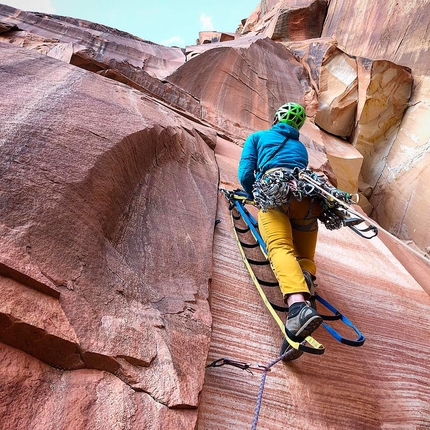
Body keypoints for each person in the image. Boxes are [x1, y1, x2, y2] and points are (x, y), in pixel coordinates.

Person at [238, 102, 323, 361]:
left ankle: (298, 307)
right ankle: (305, 275)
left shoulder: (258, 137)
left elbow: (245, 173)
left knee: (280, 248)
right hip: (308, 201)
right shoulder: (300, 148)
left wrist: (254, 195)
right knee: (304, 254)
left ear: (276, 118)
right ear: (297, 126)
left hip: (275, 197)